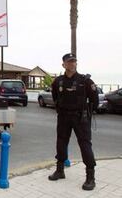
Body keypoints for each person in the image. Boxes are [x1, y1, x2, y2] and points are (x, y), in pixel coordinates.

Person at [48, 53, 98, 191]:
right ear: (63, 64)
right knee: (61, 142)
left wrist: (86, 112)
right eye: (69, 62)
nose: (72, 64)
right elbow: (55, 97)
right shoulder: (58, 81)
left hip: (80, 118)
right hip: (64, 117)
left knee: (85, 145)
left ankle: (90, 177)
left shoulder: (85, 81)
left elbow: (95, 101)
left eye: (74, 61)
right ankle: (60, 170)